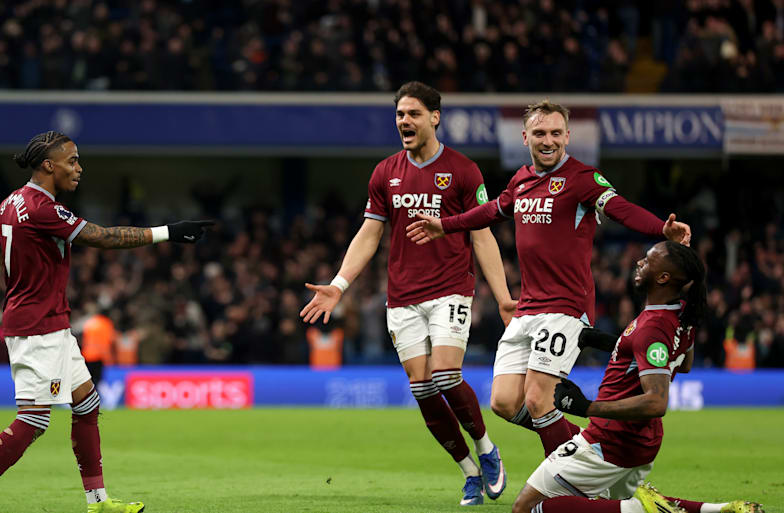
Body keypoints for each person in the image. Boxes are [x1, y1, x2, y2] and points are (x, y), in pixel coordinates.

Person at [0, 131, 214, 513]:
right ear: (49, 165)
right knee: (33, 420)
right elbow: (104, 238)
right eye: (72, 161)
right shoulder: (42, 208)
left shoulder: (9, 203)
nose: (79, 168)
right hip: (38, 329)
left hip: (50, 324)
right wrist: (168, 232)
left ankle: (98, 502)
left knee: (87, 405)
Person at [406, 100, 691, 456]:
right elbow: (492, 210)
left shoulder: (582, 179)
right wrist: (444, 225)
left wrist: (660, 229)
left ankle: (565, 485)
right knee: (504, 403)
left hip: (566, 308)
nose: (548, 140)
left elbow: (620, 208)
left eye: (556, 133)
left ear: (567, 137)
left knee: (539, 399)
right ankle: (586, 450)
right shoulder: (521, 180)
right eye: (540, 133)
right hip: (528, 309)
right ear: (526, 137)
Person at [300, 81, 517, 506]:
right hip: (402, 295)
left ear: (435, 117)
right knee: (421, 386)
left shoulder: (463, 170)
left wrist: (504, 295)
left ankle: (488, 449)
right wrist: (339, 285)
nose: (405, 121)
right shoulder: (385, 172)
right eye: (400, 114)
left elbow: (483, 237)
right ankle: (469, 471)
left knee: (445, 375)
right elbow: (369, 233)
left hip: (450, 289)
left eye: (414, 113)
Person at [512, 241, 764, 513]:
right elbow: (683, 362)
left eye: (647, 261)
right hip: (642, 443)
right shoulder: (682, 315)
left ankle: (639, 510)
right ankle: (723, 509)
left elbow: (656, 402)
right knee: (609, 506)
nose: (639, 263)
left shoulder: (652, 327)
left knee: (526, 508)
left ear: (663, 278)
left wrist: (587, 407)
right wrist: (615, 343)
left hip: (609, 441)